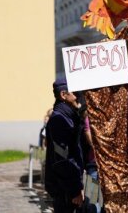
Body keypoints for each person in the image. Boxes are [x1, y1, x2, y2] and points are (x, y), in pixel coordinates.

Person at [44, 78, 84, 213]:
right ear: (63, 95)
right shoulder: (59, 119)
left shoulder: (68, 116)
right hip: (65, 190)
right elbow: (62, 159)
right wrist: (75, 190)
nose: (78, 95)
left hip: (67, 187)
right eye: (75, 92)